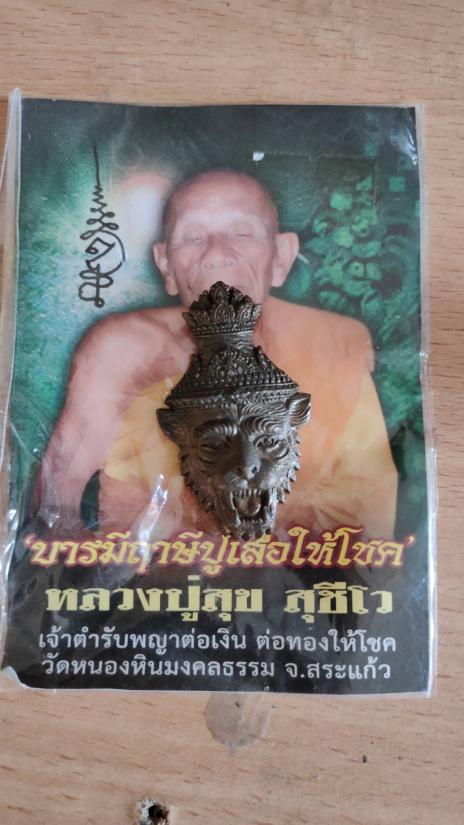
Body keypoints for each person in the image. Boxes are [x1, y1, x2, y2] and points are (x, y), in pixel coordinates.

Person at [35, 169, 397, 539]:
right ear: (165, 264)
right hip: (153, 570)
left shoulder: (334, 344)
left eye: (242, 233)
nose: (217, 254)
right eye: (193, 237)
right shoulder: (122, 349)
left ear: (281, 257)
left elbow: (369, 513)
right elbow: (57, 501)